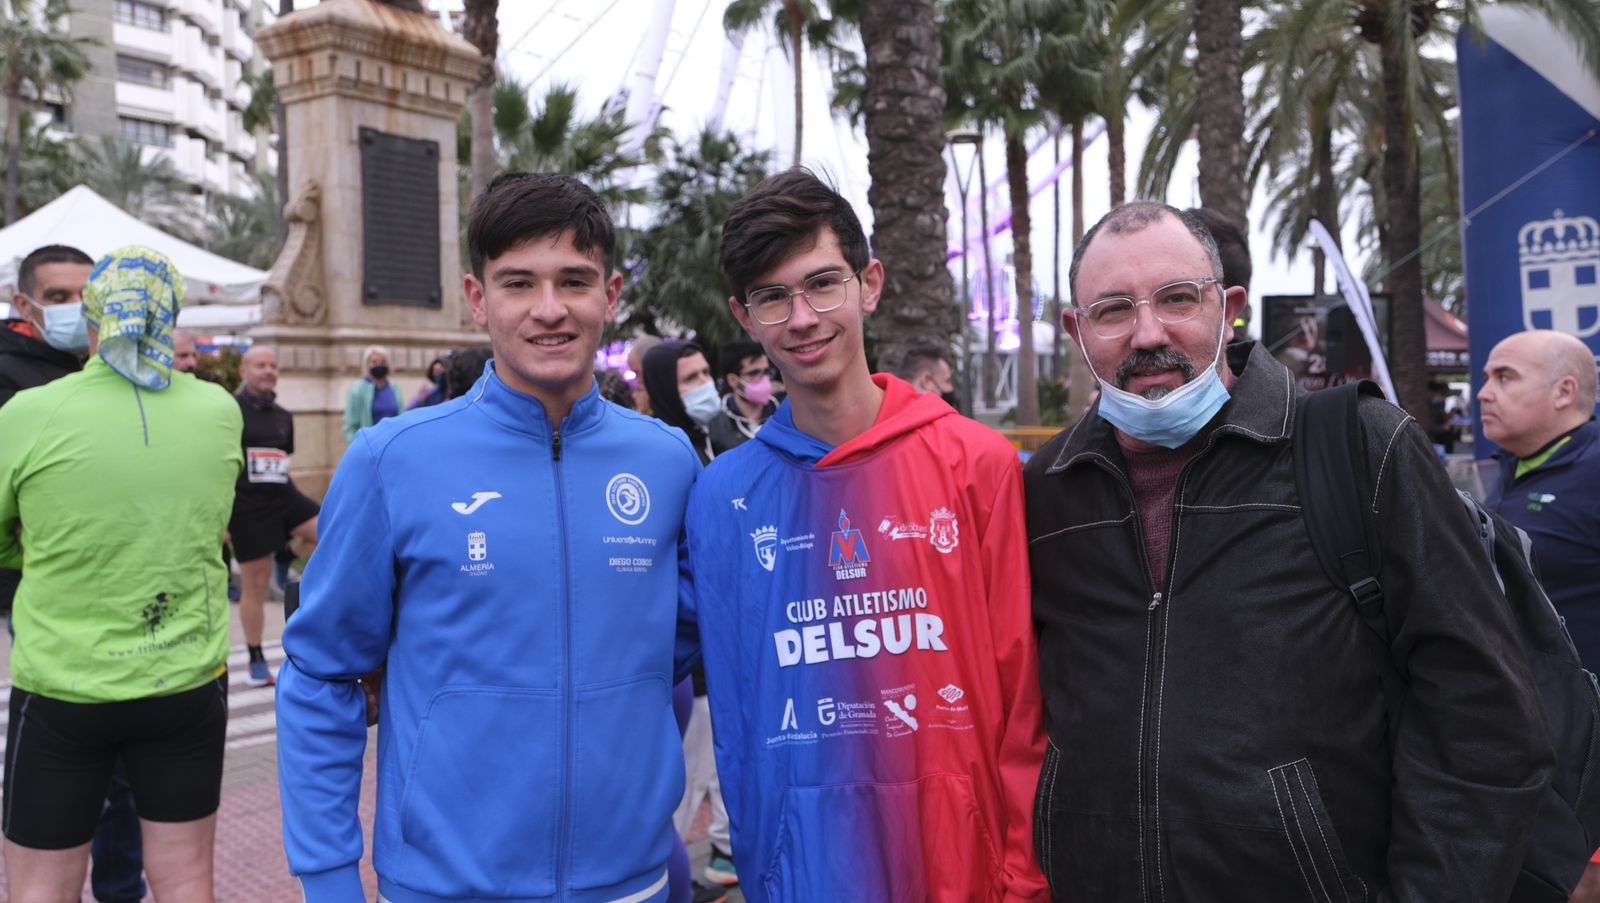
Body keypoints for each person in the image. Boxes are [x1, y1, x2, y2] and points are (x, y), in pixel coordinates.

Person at [1025, 201, 1554, 900]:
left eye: (1178, 299)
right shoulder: (1046, 491)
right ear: (1078, 330)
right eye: (1113, 310)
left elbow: (1485, 713)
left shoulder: (1357, 446)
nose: (1148, 332)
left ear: (1230, 307)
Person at [277, 172, 701, 903]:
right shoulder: (392, 459)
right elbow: (320, 675)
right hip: (445, 885)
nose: (549, 309)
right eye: (518, 283)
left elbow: (680, 640)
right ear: (478, 298)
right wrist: (330, 881)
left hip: (631, 883)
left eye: (574, 280)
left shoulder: (667, 462)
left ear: (612, 292)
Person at [678, 168, 1048, 901]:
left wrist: (1022, 876)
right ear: (744, 316)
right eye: (773, 297)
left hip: (964, 874)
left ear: (868, 283)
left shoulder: (977, 463)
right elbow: (735, 714)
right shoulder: (722, 497)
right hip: (802, 877)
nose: (803, 316)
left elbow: (1021, 697)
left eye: (822, 284)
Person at [0, 245, 242, 903]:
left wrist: (39, 552)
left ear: (91, 315)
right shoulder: (220, 411)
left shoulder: (27, 414)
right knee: (186, 876)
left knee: (41, 884)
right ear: (172, 312)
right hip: (184, 680)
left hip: (63, 686)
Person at [226, 345, 318, 687]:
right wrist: (223, 518)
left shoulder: (283, 414)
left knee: (332, 531)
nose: (268, 371)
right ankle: (255, 657)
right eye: (260, 365)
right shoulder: (230, 410)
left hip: (283, 495)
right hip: (247, 504)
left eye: (273, 365)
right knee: (257, 584)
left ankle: (286, 555)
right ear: (243, 371)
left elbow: (281, 458)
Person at [643, 340, 719, 464]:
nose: (706, 382)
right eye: (691, 378)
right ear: (666, 390)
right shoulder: (660, 452)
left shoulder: (703, 432)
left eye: (706, 372)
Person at [708, 339, 777, 455]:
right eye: (754, 373)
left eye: (766, 372)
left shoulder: (783, 413)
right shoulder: (715, 425)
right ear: (733, 380)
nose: (764, 379)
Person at [340, 344, 403, 441]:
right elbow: (350, 427)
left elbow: (401, 417)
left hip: (393, 444)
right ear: (367, 365)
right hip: (370, 446)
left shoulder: (395, 388)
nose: (379, 365)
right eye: (374, 362)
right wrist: (359, 447)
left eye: (383, 362)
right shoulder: (357, 389)